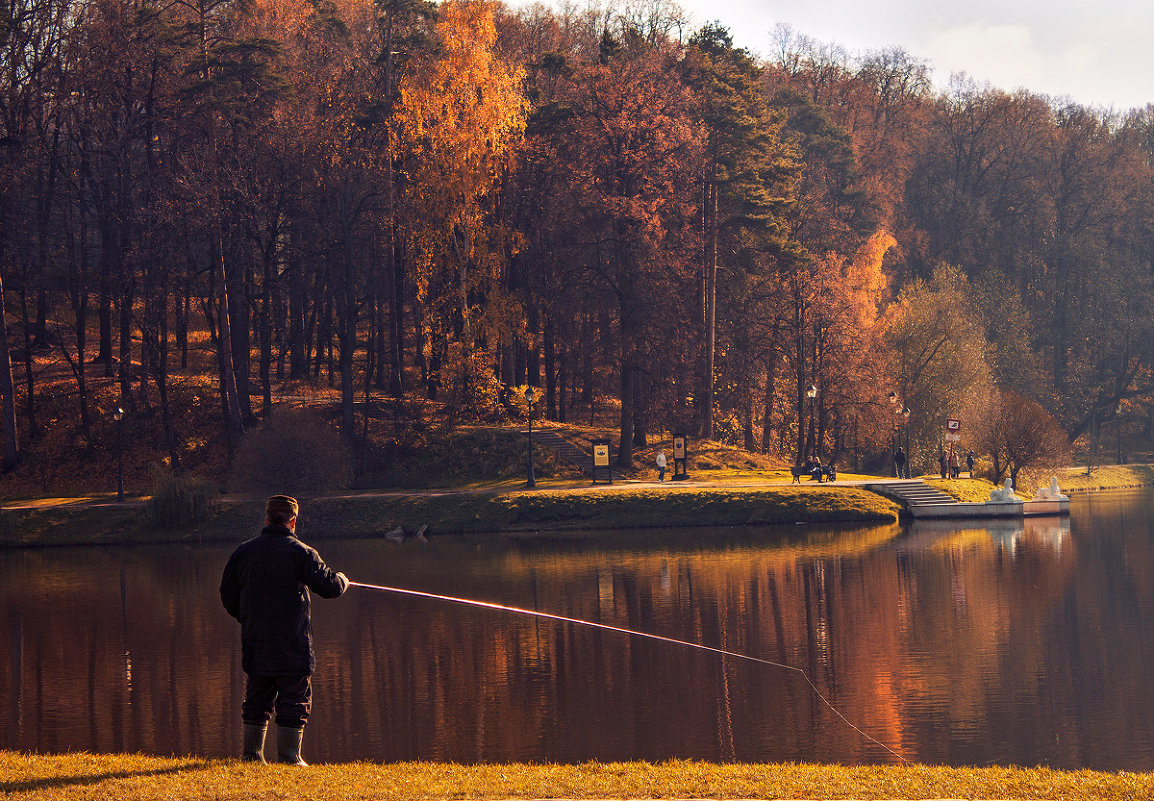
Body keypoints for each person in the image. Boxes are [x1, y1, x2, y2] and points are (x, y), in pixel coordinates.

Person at [220, 495, 349, 766]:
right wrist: (342, 580)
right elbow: (329, 588)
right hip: (293, 643)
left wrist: (247, 617)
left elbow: (228, 594)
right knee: (294, 699)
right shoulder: (301, 552)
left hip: (256, 642)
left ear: (267, 519)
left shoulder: (244, 552)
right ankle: (290, 757)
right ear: (293, 521)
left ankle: (251, 755)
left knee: (257, 698)